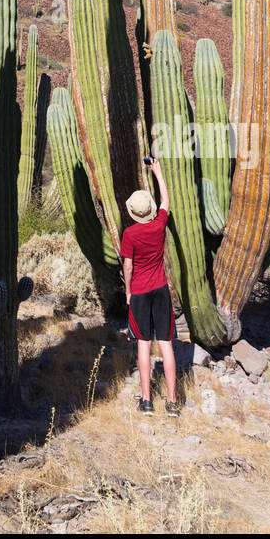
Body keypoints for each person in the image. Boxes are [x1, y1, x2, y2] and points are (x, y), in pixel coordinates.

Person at [121, 158, 179, 417]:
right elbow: (166, 201)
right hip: (161, 290)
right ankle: (173, 402)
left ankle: (146, 401)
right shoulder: (159, 225)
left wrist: (128, 292)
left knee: (143, 344)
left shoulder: (130, 235)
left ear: (133, 212)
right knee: (166, 344)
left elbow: (128, 266)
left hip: (141, 293)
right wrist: (158, 172)